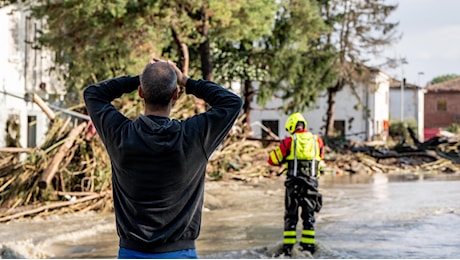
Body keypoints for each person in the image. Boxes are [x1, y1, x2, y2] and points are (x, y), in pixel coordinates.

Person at [83, 58, 242, 259]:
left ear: (141, 92)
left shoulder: (121, 136)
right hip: (181, 253)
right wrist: (186, 80)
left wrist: (140, 79)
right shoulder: (193, 137)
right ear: (176, 94)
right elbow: (232, 102)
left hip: (131, 253)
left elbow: (93, 93)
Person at [267, 112, 325, 256]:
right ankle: (308, 248)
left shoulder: (289, 141)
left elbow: (272, 159)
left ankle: (288, 250)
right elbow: (321, 156)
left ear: (292, 126)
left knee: (291, 216)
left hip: (293, 184)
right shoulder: (317, 140)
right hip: (311, 183)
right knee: (309, 215)